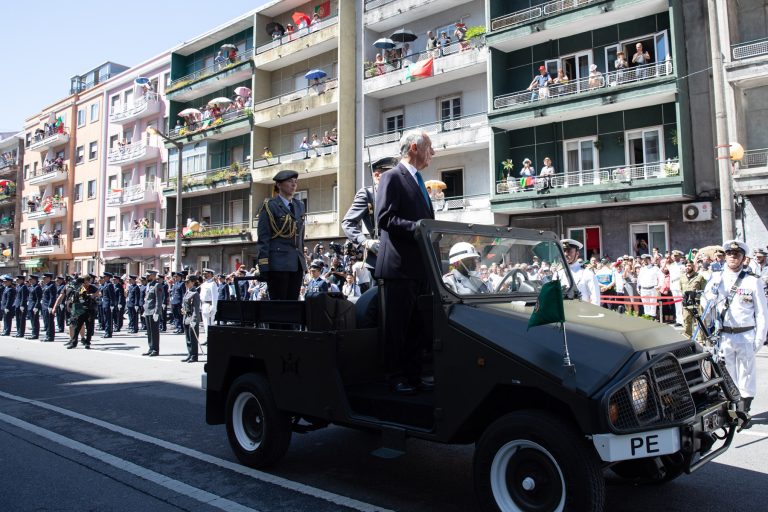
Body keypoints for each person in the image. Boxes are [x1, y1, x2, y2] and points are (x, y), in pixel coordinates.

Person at [375, 130, 435, 395]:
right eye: (429, 147)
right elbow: (385, 218)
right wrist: (419, 228)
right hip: (398, 268)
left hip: (420, 267)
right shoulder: (391, 177)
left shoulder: (420, 181)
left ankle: (414, 374)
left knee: (417, 327)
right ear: (414, 148)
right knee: (396, 328)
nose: (432, 152)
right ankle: (394, 376)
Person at [703, 240, 767, 414]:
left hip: (745, 334)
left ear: (743, 258)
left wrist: (759, 339)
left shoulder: (752, 282)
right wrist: (710, 298)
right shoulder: (717, 278)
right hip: (725, 335)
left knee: (746, 373)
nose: (732, 257)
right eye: (729, 254)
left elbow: (762, 313)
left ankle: (743, 409)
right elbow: (705, 304)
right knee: (727, 373)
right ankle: (731, 408)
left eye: (736, 254)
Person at [342, 156, 399, 274]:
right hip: (379, 253)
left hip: (400, 254)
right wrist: (365, 241)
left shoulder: (398, 194)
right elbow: (348, 223)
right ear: (377, 176)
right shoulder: (367, 194)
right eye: (390, 174)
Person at [559, 239, 600, 306]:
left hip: (581, 313)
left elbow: (595, 299)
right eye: (564, 251)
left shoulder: (587, 273)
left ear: (577, 254)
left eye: (569, 251)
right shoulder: (559, 273)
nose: (566, 254)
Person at [680, 259, 707, 340]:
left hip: (697, 304)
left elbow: (704, 290)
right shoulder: (682, 277)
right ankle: (687, 338)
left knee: (699, 322)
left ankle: (701, 340)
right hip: (686, 303)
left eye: (689, 265)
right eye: (686, 266)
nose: (687, 267)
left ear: (693, 267)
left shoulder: (699, 277)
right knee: (686, 322)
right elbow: (681, 289)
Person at [142, 270, 164, 357]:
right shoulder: (148, 285)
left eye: (148, 275)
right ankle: (150, 348)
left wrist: (157, 312)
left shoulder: (157, 285)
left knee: (154, 331)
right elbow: (147, 299)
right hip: (147, 311)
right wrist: (145, 310)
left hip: (153, 311)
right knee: (149, 331)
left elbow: (159, 300)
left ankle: (155, 350)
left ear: (153, 276)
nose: (146, 276)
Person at [181, 275, 202, 363]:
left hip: (192, 317)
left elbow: (195, 309)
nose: (186, 284)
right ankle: (190, 354)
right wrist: (183, 309)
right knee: (188, 338)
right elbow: (185, 304)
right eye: (185, 282)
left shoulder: (195, 293)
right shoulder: (187, 292)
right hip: (186, 316)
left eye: (187, 282)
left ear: (193, 282)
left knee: (193, 338)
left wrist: (194, 320)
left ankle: (194, 356)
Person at [199, 269, 218, 335]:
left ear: (210, 274)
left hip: (209, 305)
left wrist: (213, 308)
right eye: (204, 273)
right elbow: (201, 296)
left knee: (210, 324)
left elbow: (215, 297)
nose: (204, 275)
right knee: (205, 323)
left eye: (206, 273)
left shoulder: (213, 284)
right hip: (203, 305)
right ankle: (207, 338)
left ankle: (210, 339)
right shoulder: (204, 284)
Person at [99, 272, 116, 339]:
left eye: (105, 277)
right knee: (105, 318)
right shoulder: (105, 284)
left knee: (108, 319)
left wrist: (112, 304)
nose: (103, 278)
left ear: (108, 277)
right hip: (104, 304)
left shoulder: (110, 285)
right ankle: (107, 331)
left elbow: (112, 296)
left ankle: (108, 332)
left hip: (108, 304)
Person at [40, 272, 57, 341]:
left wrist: (50, 306)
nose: (43, 279)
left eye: (45, 278)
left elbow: (52, 297)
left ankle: (50, 336)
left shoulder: (52, 286)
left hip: (48, 306)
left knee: (50, 322)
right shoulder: (46, 285)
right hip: (44, 305)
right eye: (43, 278)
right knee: (46, 321)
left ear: (49, 278)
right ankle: (47, 335)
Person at [26, 274, 42, 340]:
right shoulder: (31, 287)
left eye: (30, 279)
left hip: (34, 306)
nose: (29, 281)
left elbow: (39, 298)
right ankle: (33, 333)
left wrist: (36, 306)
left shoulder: (37, 287)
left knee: (35, 321)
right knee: (32, 321)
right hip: (30, 305)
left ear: (34, 280)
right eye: (29, 279)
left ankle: (35, 334)